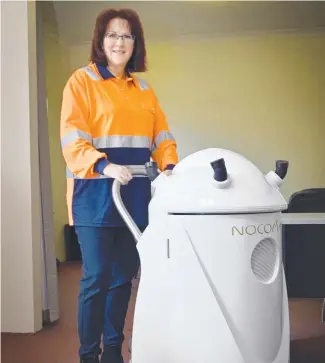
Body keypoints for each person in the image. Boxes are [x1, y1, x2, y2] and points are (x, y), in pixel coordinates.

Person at [60, 7, 178, 363]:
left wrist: (169, 165)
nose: (119, 41)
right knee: (96, 278)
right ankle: (87, 355)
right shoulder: (81, 81)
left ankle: (113, 349)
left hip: (135, 198)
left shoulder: (143, 89)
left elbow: (162, 136)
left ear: (135, 43)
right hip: (94, 195)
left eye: (127, 35)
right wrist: (104, 165)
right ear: (100, 40)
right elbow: (72, 139)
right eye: (112, 34)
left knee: (124, 277)